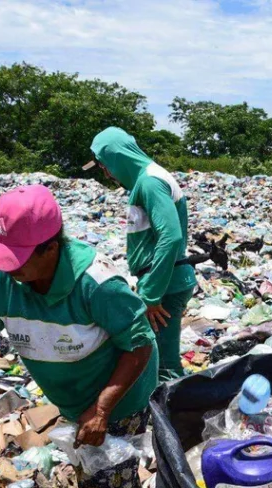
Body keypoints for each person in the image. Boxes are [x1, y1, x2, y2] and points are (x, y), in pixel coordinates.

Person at [0, 184, 158, 460]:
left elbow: (139, 343)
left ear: (51, 249)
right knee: (110, 483)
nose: (7, 266)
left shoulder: (96, 283)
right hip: (72, 401)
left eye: (17, 258)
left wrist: (102, 409)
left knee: (105, 487)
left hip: (120, 399)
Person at [87, 127, 196, 381]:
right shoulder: (148, 179)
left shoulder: (150, 182)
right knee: (157, 359)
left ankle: (177, 416)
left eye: (105, 166)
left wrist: (151, 295)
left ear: (116, 158)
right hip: (165, 281)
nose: (108, 173)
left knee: (163, 365)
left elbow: (171, 237)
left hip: (165, 286)